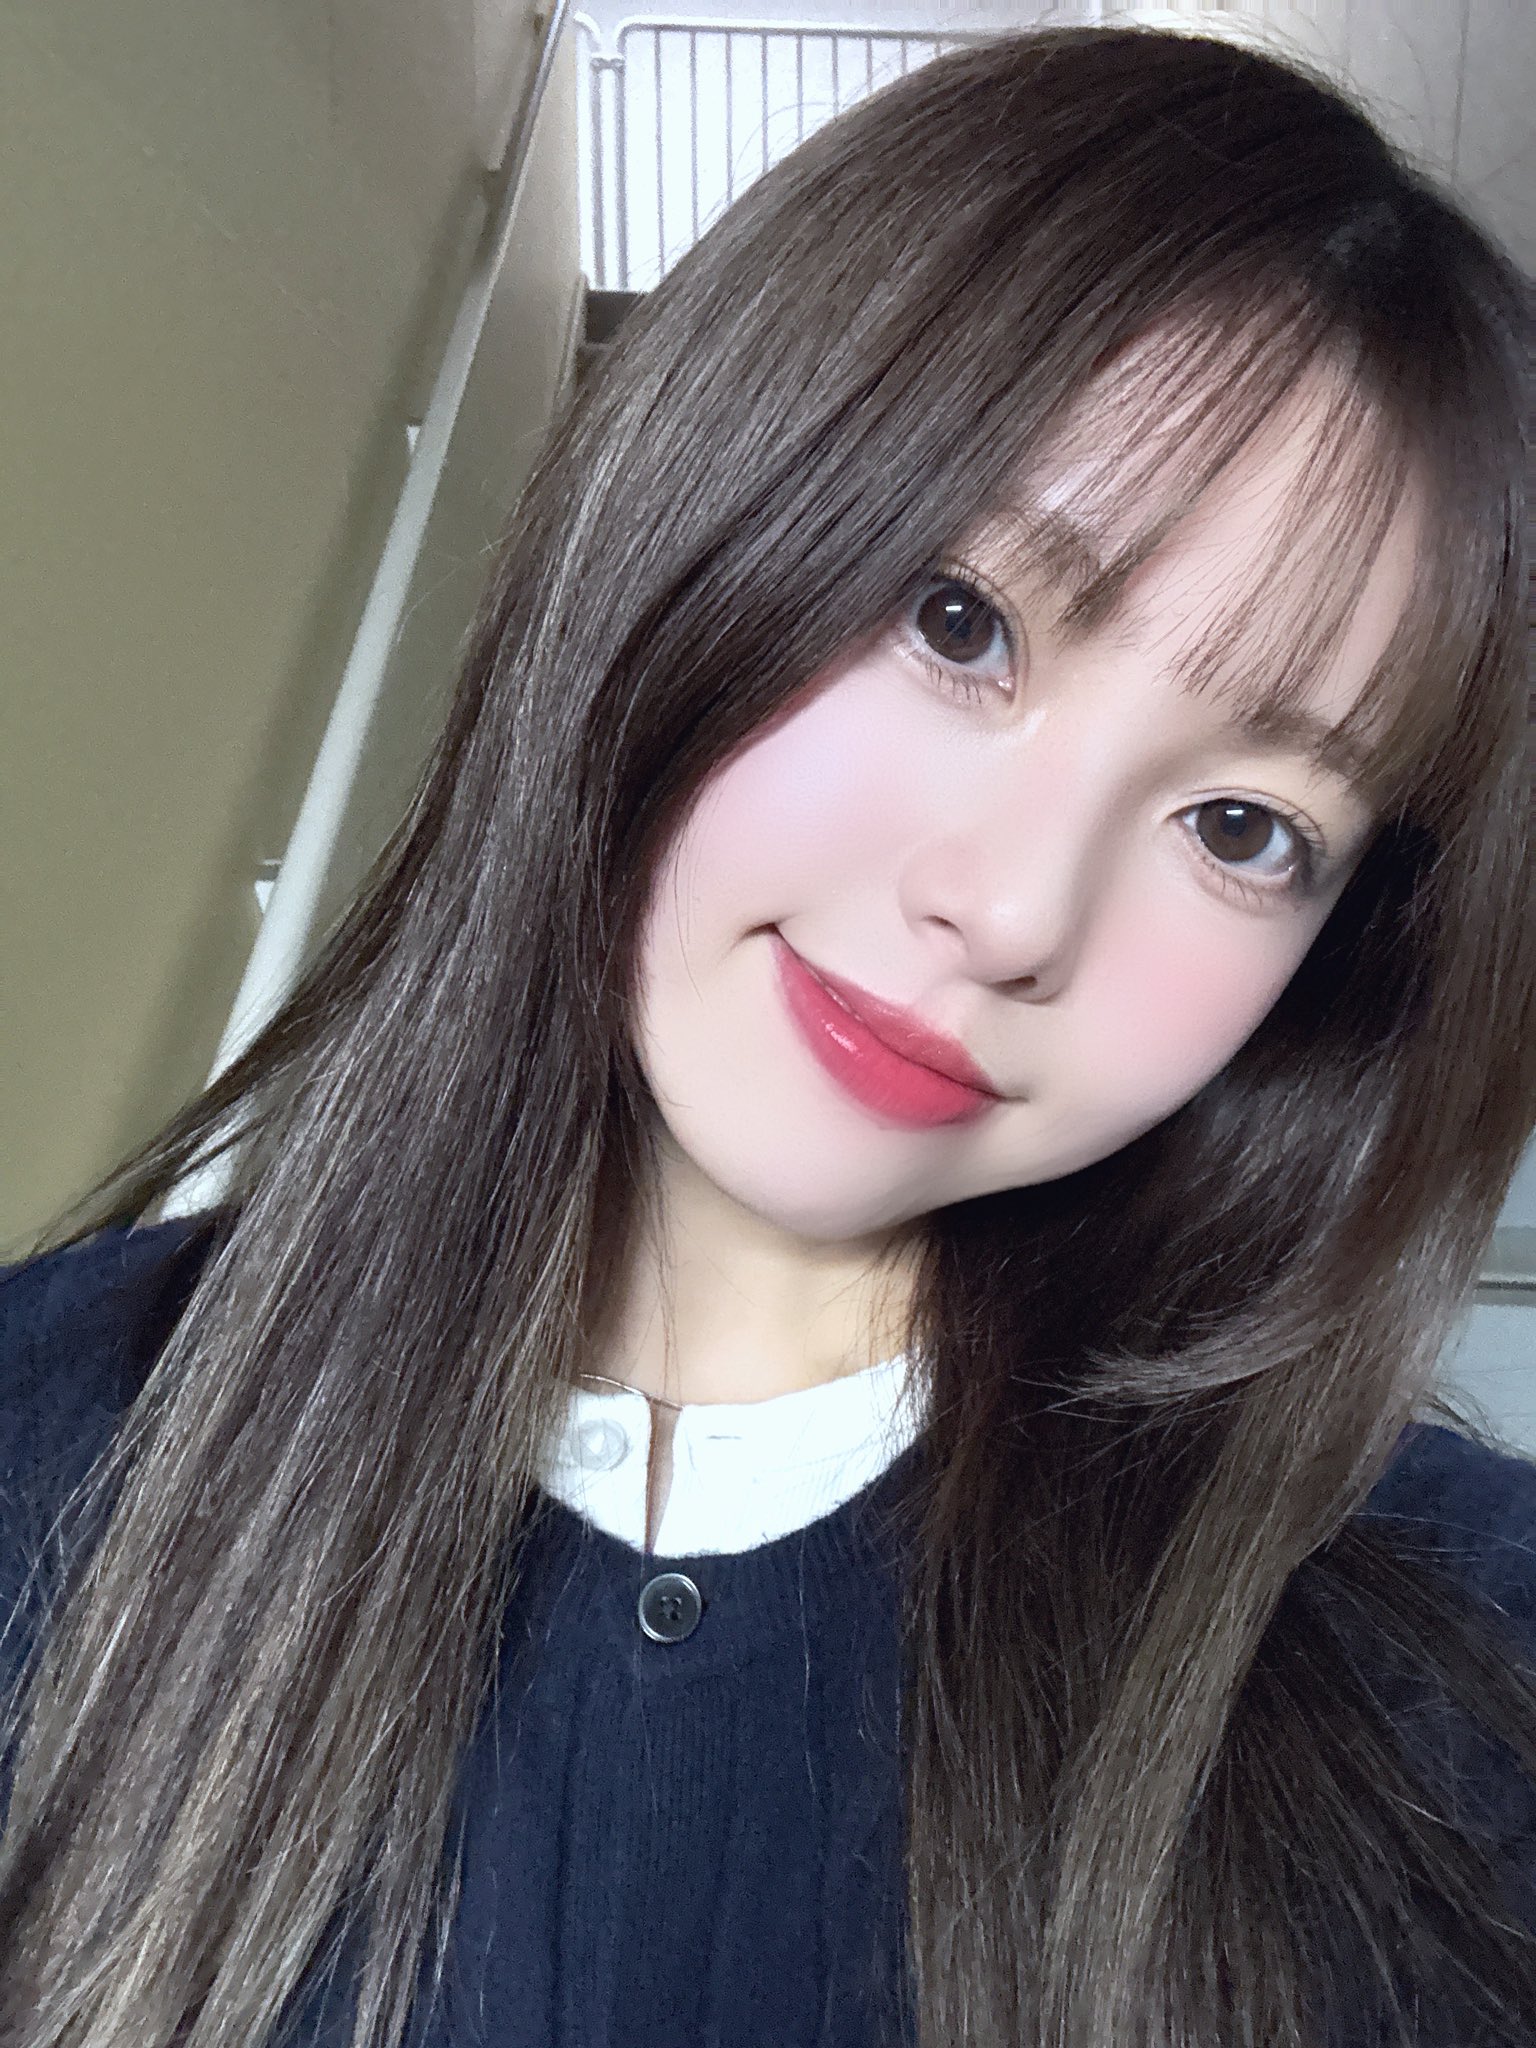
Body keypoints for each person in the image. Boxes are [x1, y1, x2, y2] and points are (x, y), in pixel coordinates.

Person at [0, 20, 1533, 2048]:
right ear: (695, 502)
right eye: (962, 621)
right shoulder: (47, 1443)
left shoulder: (1456, 1682)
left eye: (1244, 828)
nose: (1012, 911)